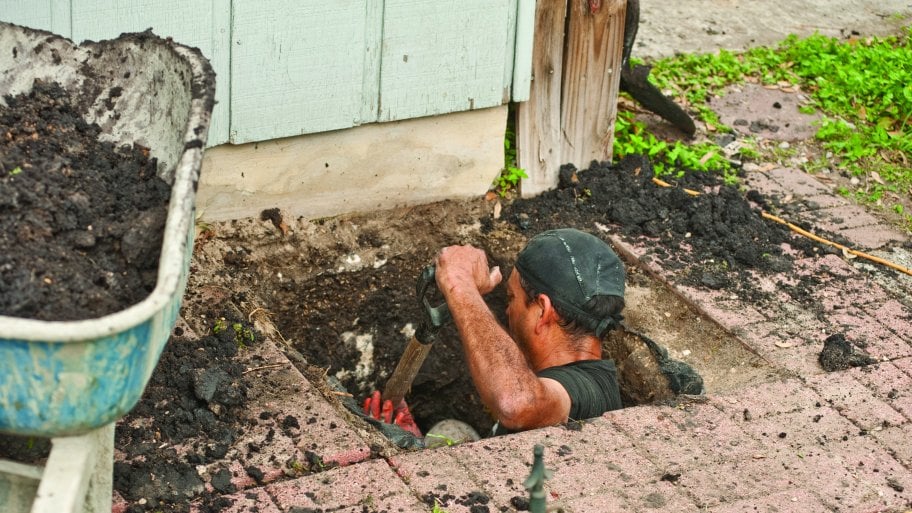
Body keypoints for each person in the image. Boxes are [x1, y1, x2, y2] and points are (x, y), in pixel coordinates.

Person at [364, 228, 626, 436]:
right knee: (448, 433)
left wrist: (459, 284)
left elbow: (516, 402)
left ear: (543, 311)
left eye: (511, 298)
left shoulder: (589, 394)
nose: (507, 311)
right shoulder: (573, 378)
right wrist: (412, 444)